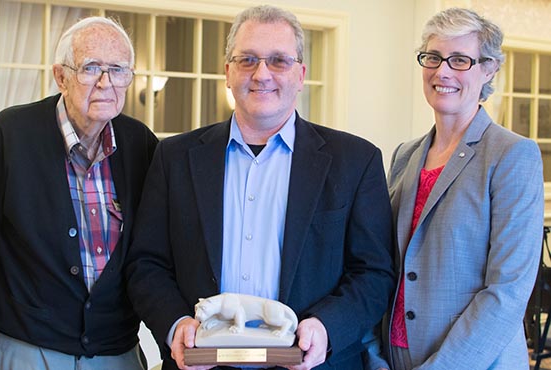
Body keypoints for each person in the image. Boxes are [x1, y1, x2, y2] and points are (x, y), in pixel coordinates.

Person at [126, 5, 395, 370]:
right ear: (228, 72)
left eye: (279, 61)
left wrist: (327, 327)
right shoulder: (174, 157)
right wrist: (176, 325)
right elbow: (146, 264)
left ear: (300, 74)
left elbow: (374, 274)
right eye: (247, 59)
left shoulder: (356, 161)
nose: (262, 73)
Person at [0, 16, 158, 370]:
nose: (106, 83)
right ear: (61, 76)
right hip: (26, 351)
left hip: (116, 355)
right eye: (91, 68)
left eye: (119, 70)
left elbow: (153, 259)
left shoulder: (142, 145)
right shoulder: (11, 133)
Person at [371, 7, 544, 370]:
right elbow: (380, 268)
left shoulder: (512, 155)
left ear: (489, 68)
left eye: (460, 60)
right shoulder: (405, 156)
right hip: (396, 358)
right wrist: (375, 358)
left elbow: (507, 293)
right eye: (433, 57)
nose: (442, 71)